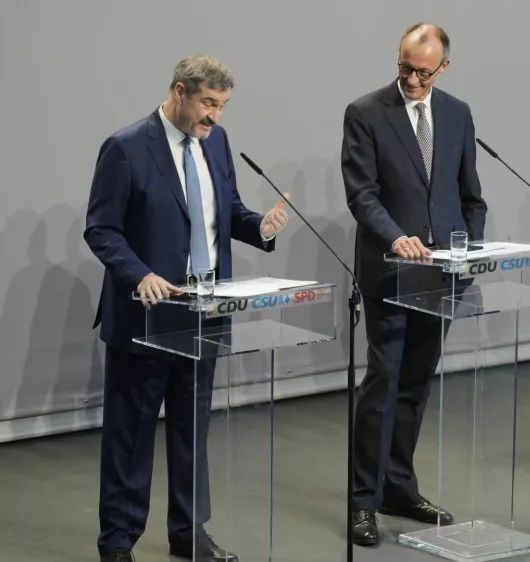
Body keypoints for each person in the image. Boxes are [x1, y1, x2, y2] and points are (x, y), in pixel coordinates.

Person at [84, 55, 290, 562]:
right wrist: (142, 275)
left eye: (221, 106)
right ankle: (117, 542)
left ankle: (189, 534)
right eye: (207, 103)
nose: (215, 116)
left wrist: (260, 226)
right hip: (147, 316)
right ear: (179, 91)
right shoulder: (127, 148)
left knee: (191, 430)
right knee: (130, 438)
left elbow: (227, 211)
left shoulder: (216, 143)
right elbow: (101, 230)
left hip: (205, 313)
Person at [341, 23, 487, 546]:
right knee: (383, 382)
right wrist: (395, 237)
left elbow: (471, 197)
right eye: (405, 67)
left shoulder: (457, 113)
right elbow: (362, 195)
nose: (411, 78)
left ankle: (399, 486)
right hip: (390, 271)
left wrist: (471, 254)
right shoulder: (365, 112)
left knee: (416, 385)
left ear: (442, 68)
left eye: (423, 71)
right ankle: (363, 503)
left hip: (441, 275)